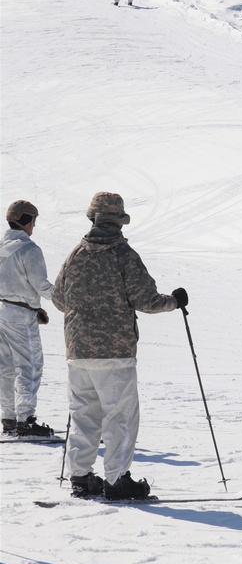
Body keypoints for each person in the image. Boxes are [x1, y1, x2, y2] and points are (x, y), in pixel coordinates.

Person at [51, 192, 187, 500]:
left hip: (78, 352)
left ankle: (81, 477)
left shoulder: (75, 254)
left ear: (92, 218)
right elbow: (147, 300)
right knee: (120, 417)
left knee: (84, 415)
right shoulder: (124, 255)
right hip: (115, 353)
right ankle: (116, 480)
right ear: (119, 221)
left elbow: (58, 299)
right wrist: (175, 301)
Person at [0, 200, 55, 438]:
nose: (34, 225)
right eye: (33, 220)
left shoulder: (1, 247)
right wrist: (66, 298)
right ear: (27, 221)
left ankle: (8, 419)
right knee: (30, 366)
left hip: (2, 311)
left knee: (5, 368)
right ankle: (26, 421)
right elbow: (41, 286)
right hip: (21, 317)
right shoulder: (30, 249)